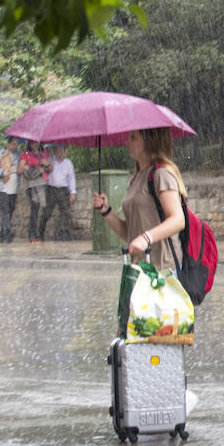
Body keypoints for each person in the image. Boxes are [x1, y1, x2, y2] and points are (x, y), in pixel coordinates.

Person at [91, 128, 188, 318]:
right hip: (140, 271)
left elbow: (178, 219)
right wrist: (107, 211)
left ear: (149, 140)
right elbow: (130, 234)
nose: (127, 141)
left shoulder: (161, 175)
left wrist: (146, 238)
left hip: (162, 271)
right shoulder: (137, 178)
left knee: (161, 337)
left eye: (133, 137)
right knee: (142, 337)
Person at [39, 144, 77, 241]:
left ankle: (63, 235)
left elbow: (71, 178)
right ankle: (40, 232)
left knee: (65, 213)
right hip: (51, 189)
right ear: (55, 151)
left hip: (63, 190)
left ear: (64, 151)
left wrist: (72, 192)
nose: (60, 153)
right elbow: (44, 172)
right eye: (58, 151)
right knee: (47, 213)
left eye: (62, 151)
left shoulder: (68, 163)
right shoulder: (50, 160)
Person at [0, 136, 20, 243]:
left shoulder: (18, 155)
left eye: (17, 144)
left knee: (10, 211)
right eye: (14, 144)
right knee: (5, 212)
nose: (15, 146)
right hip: (2, 187)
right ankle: (8, 233)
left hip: (14, 188)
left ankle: (3, 237)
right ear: (9, 143)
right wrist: (2, 172)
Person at [18, 141, 48, 243]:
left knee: (37, 209)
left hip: (40, 184)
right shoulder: (26, 154)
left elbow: (48, 168)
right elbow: (20, 169)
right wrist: (30, 168)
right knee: (34, 209)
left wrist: (44, 165)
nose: (35, 145)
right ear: (29, 144)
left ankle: (35, 233)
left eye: (36, 143)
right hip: (31, 185)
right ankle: (32, 234)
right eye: (33, 143)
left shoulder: (41, 154)